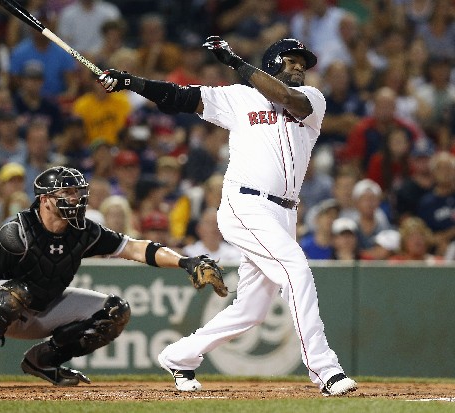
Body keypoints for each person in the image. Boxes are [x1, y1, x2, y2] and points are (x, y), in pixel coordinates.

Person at [98, 36, 358, 396]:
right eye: (291, 60)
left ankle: (180, 355)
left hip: (284, 213)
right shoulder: (240, 98)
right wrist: (131, 82)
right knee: (296, 270)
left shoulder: (313, 99)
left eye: (303, 63)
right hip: (245, 204)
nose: (299, 67)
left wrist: (236, 62)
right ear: (270, 63)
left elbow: (286, 99)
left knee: (252, 310)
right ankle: (324, 368)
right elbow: (179, 96)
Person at [0, 166, 219, 388]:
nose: (75, 199)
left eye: (77, 193)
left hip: (42, 307)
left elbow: (135, 248)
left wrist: (185, 261)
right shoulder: (16, 232)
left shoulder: (84, 231)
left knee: (115, 311)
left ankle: (42, 361)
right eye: (66, 194)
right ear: (44, 200)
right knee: (16, 293)